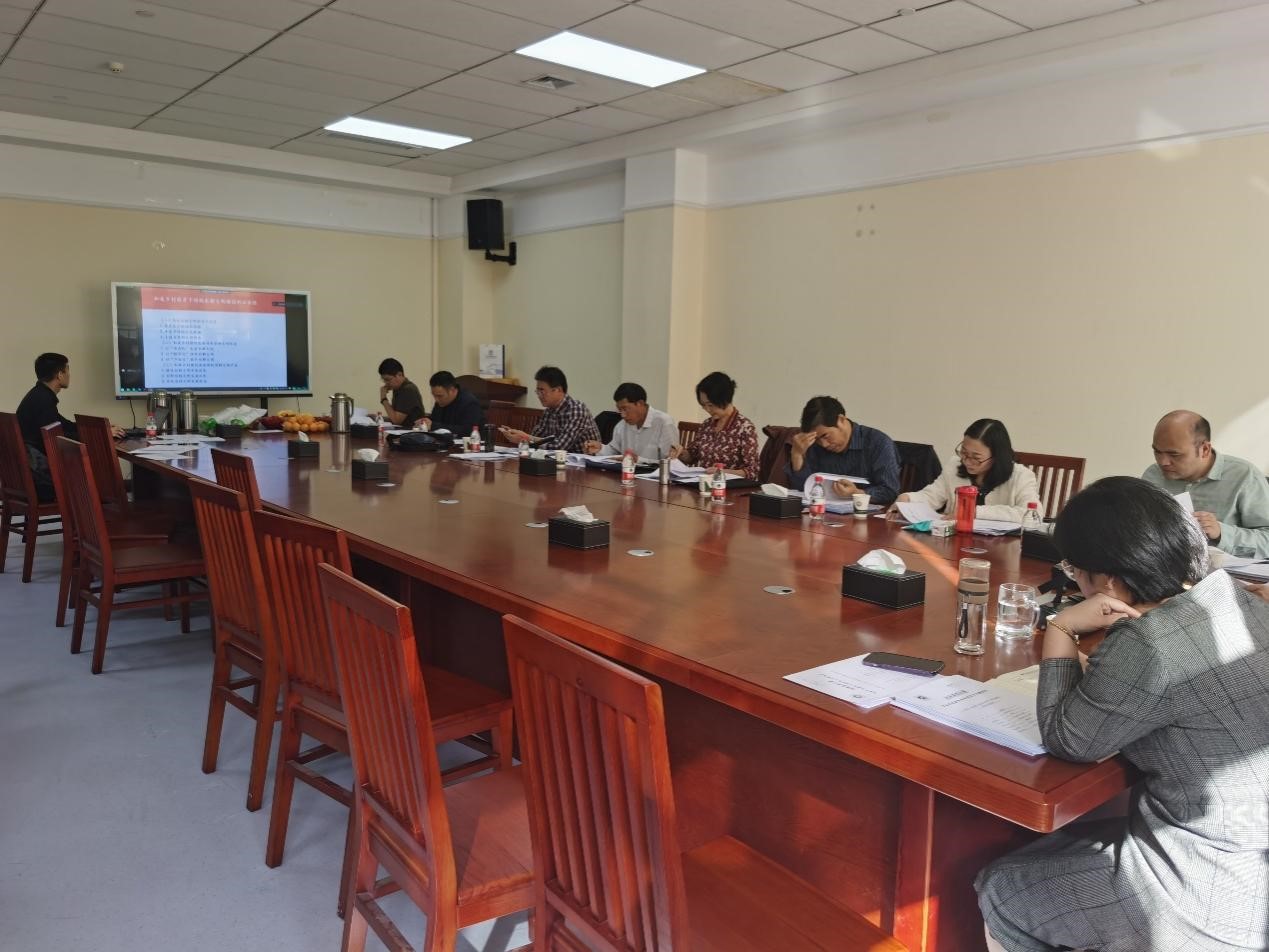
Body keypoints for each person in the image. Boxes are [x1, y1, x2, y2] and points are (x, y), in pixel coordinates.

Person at [975, 476, 1269, 952]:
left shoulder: (1148, 645)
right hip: (1253, 859)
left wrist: (1062, 629)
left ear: (1108, 582)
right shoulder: (1238, 598)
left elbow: (1068, 739)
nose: (1073, 579)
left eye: (1074, 570)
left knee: (1004, 888)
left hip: (1213, 893)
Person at [1142, 409, 1269, 558]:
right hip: (1163, 565)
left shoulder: (1245, 476)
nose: (1163, 462)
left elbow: (1266, 543)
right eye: (1157, 452)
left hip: (1227, 569)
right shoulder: (1153, 475)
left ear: (1205, 449)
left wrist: (1221, 533)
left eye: (1174, 454)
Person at [17, 353, 123, 501]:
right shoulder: (43, 400)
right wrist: (100, 436)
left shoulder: (38, 395)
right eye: (67, 370)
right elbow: (57, 437)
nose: (69, 375)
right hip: (42, 479)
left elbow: (63, 425)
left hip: (29, 474)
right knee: (100, 474)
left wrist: (101, 430)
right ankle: (101, 512)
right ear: (60, 375)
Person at [895, 418, 1042, 522]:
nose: (967, 461)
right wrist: (908, 499)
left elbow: (1033, 514)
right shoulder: (954, 465)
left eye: (976, 458)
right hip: (953, 542)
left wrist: (974, 512)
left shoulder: (1021, 476)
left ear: (997, 456)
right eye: (964, 453)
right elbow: (932, 496)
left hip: (999, 550)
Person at [786, 396, 899, 506]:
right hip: (822, 511)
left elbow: (890, 491)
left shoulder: (878, 443)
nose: (824, 444)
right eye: (817, 439)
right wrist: (797, 454)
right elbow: (804, 489)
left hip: (865, 514)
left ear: (841, 420)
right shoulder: (813, 445)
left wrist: (856, 493)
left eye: (825, 436)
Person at [668, 372, 759, 480]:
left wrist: (722, 472)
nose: (707, 409)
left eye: (710, 405)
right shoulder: (707, 425)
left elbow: (752, 471)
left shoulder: (745, 428)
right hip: (702, 483)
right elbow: (692, 456)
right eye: (703, 405)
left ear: (725, 400)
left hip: (729, 487)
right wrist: (680, 452)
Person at [499, 366, 599, 453]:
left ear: (558, 390)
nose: (539, 395)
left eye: (542, 391)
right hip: (558, 462)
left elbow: (560, 447)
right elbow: (536, 436)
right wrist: (520, 436)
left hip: (582, 464)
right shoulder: (549, 410)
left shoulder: (577, 410)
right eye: (537, 391)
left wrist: (526, 439)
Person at [582, 382, 676, 460]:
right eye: (620, 410)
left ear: (640, 403)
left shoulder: (664, 422)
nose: (623, 415)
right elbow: (614, 450)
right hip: (626, 473)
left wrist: (639, 460)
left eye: (625, 409)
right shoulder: (622, 425)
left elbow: (670, 462)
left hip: (654, 476)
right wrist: (600, 448)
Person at [376, 358, 425, 428]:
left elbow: (396, 420)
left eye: (388, 379)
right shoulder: (398, 388)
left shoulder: (408, 390)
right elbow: (394, 417)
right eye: (384, 380)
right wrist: (380, 418)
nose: (386, 383)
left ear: (399, 374)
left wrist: (383, 399)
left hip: (413, 431)